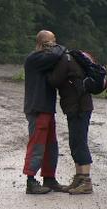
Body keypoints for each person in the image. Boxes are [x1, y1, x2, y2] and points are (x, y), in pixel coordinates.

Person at [22, 30, 69, 194]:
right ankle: (30, 181)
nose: (54, 44)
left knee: (51, 146)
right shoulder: (35, 58)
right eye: (51, 41)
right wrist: (59, 47)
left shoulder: (45, 59)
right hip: (37, 108)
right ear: (43, 43)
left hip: (47, 108)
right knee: (37, 145)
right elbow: (56, 54)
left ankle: (49, 179)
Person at [48, 48, 94, 194]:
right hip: (78, 106)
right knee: (75, 142)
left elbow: (54, 80)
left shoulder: (64, 60)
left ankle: (86, 182)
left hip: (78, 107)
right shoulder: (71, 59)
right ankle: (79, 178)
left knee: (79, 142)